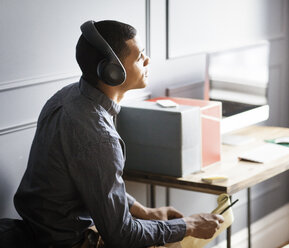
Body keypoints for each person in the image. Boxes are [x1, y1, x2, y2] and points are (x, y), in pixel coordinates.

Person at [13, 20, 224, 248]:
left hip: (39, 228)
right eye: (139, 56)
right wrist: (188, 225)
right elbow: (122, 235)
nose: (147, 60)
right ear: (112, 72)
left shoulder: (64, 98)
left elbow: (96, 184)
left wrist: (145, 212)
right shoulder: (100, 136)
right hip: (69, 241)